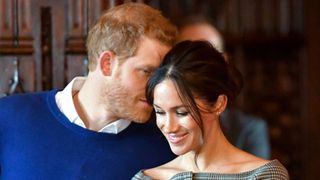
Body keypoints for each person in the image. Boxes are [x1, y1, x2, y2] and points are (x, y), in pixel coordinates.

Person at [0, 3, 178, 179]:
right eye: (146, 72)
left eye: (162, 76)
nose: (155, 87)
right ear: (107, 64)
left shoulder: (167, 147)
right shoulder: (8, 118)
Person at [132, 40, 289, 179]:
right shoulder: (147, 178)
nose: (169, 126)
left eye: (181, 112)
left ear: (218, 104)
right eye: (160, 112)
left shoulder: (264, 175)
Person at [178, 17, 271, 159]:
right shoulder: (160, 128)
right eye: (187, 55)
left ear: (224, 60)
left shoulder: (249, 129)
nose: (196, 65)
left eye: (206, 55)